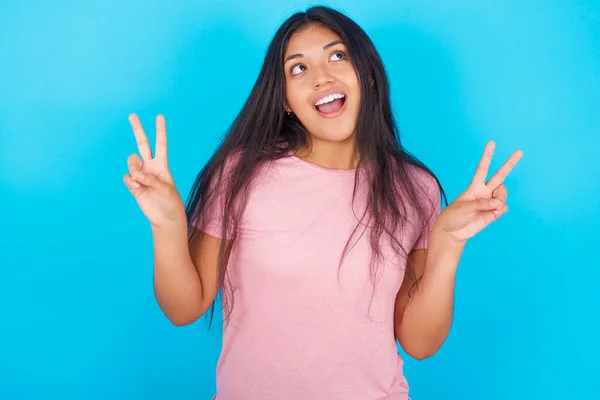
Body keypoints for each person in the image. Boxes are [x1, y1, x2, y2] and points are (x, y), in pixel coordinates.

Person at [123, 5, 522, 400]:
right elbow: (184, 308)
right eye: (299, 68)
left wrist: (449, 245)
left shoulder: (415, 188)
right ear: (284, 101)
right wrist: (167, 226)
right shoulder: (241, 174)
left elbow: (419, 343)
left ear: (366, 74)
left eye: (337, 56)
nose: (321, 77)